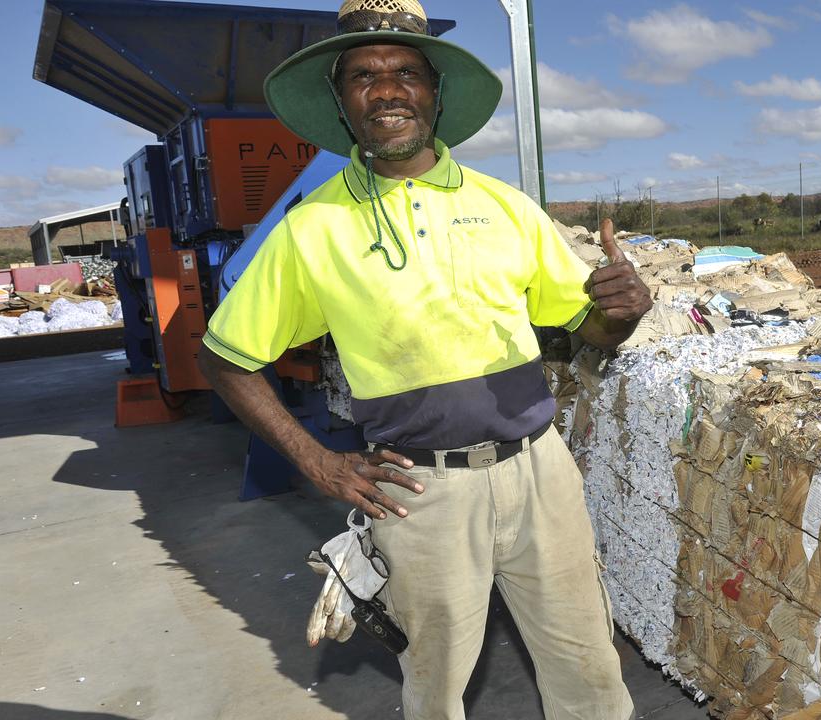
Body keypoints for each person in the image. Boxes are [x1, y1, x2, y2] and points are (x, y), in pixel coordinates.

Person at [197, 0, 649, 717]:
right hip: (417, 494)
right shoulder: (311, 231)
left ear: (434, 93)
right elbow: (225, 358)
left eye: (406, 70)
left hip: (541, 473)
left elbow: (589, 329)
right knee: (433, 689)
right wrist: (317, 462)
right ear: (341, 103)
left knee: (590, 670)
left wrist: (619, 313)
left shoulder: (506, 207)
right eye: (363, 75)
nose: (386, 89)